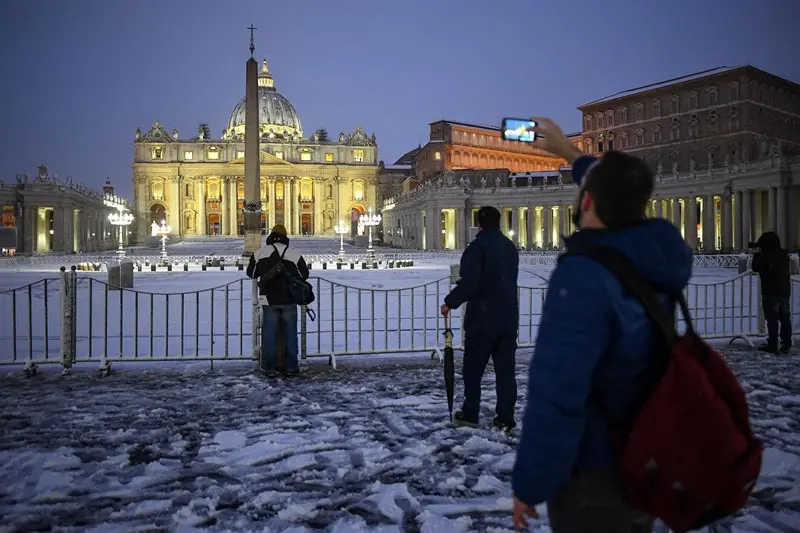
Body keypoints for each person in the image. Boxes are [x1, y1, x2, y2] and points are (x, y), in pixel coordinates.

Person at [511, 118, 693, 533]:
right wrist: (572, 155)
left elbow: (559, 391)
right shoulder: (655, 257)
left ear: (587, 202)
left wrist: (530, 483)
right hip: (644, 457)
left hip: (594, 474)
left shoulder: (584, 274)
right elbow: (615, 188)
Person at [440, 205, 519, 432]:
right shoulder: (509, 247)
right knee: (506, 371)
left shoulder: (477, 248)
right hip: (508, 317)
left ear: (479, 224)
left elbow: (470, 285)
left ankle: (470, 412)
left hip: (483, 319)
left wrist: (450, 303)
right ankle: (505, 416)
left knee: (473, 369)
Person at [246, 224, 309, 378]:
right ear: (285, 236)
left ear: (271, 236)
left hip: (269, 300)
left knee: (269, 335)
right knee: (290, 334)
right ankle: (291, 367)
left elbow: (251, 273)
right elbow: (304, 274)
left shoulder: (260, 252)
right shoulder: (294, 254)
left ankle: (270, 368)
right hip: (289, 299)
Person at [751, 231, 792, 354]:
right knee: (785, 318)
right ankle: (786, 343)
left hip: (770, 292)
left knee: (772, 320)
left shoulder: (764, 256)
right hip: (784, 291)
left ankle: (773, 344)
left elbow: (755, 267)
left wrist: (756, 255)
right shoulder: (784, 254)